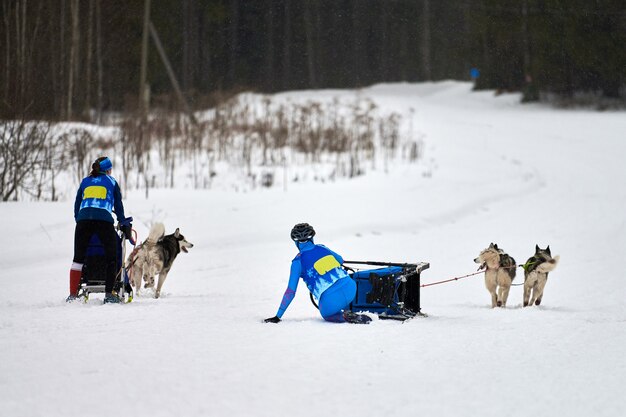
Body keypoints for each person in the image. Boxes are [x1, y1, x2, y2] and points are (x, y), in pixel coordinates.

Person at [264, 223, 370, 324]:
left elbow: (290, 292)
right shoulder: (322, 247)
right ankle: (348, 309)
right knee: (342, 286)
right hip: (351, 288)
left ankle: (343, 316)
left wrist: (278, 316)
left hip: (330, 301)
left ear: (296, 242)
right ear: (311, 238)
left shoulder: (297, 262)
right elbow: (341, 260)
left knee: (327, 314)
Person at [67, 156, 133, 304]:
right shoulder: (111, 181)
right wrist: (122, 222)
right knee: (111, 257)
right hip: (103, 221)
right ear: (108, 170)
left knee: (77, 259)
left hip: (83, 222)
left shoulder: (85, 181)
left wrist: (80, 219)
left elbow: (77, 204)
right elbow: (119, 206)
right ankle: (109, 294)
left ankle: (72, 295)